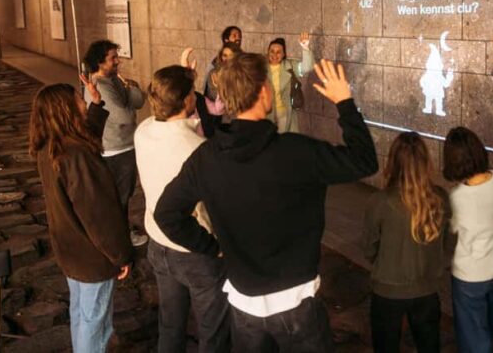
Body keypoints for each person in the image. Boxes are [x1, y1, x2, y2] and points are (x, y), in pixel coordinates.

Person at [154, 54, 378, 352]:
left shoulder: (205, 158)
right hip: (298, 305)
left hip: (243, 305)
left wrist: (212, 247)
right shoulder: (297, 152)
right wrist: (345, 102)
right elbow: (364, 161)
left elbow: (166, 214)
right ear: (263, 92)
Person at [29, 77, 132, 352]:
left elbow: (86, 140)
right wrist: (120, 255)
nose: (82, 101)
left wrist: (96, 105)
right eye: (78, 99)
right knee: (95, 323)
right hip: (92, 256)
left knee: (81, 313)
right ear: (66, 110)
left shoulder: (52, 146)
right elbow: (99, 216)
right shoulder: (77, 156)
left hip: (70, 250)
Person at [134, 65, 230, 352]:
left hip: (158, 244)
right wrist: (217, 246)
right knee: (213, 331)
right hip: (196, 252)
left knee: (171, 324)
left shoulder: (144, 130)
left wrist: (179, 79)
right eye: (192, 92)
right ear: (188, 100)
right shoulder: (197, 149)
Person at [363, 132, 450, 353]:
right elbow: (448, 243)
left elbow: (369, 247)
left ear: (393, 161)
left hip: (387, 290)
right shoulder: (440, 197)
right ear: (425, 162)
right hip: (427, 288)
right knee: (429, 345)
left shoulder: (379, 201)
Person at [443, 127, 493, 353]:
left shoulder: (457, 198)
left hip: (470, 278)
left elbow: (453, 231)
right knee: (488, 329)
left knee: (474, 338)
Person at [82, 39, 148, 246]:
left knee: (123, 195)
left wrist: (132, 89)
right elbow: (125, 117)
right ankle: (121, 237)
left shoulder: (114, 80)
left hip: (124, 145)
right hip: (115, 150)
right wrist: (129, 106)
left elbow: (139, 101)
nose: (118, 61)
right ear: (100, 62)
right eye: (113, 58)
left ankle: (120, 231)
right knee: (119, 196)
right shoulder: (101, 85)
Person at [266, 32, 314, 133]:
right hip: (266, 115)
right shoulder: (261, 68)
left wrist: (305, 48)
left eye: (278, 52)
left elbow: (307, 67)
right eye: (272, 51)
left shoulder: (290, 66)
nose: (275, 55)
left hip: (285, 115)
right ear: (268, 52)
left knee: (284, 144)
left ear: (283, 54)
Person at [204, 26, 242, 101]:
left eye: (240, 36)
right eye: (234, 35)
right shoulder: (214, 68)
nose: (238, 38)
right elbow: (210, 96)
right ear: (226, 40)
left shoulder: (244, 66)